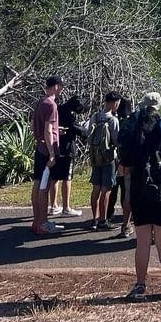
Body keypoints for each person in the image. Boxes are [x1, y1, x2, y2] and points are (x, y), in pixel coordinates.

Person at [119, 102, 161, 302]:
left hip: (140, 192)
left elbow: (124, 167)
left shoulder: (134, 140)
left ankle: (140, 285)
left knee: (142, 243)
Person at [30, 76, 64, 235]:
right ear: (56, 86)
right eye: (61, 86)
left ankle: (36, 221)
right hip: (46, 151)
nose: (62, 89)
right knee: (44, 186)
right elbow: (48, 130)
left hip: (39, 147)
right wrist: (51, 153)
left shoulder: (40, 102)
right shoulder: (51, 105)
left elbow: (33, 126)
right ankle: (43, 223)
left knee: (37, 184)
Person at [48, 95, 90, 219]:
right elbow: (82, 132)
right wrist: (85, 127)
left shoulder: (58, 109)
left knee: (54, 177)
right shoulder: (70, 115)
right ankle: (66, 207)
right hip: (67, 149)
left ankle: (53, 206)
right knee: (67, 177)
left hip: (56, 147)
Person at [88, 91, 122, 231]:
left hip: (95, 157)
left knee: (96, 188)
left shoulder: (95, 117)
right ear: (115, 103)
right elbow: (116, 140)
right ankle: (103, 220)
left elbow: (89, 136)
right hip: (108, 158)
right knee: (106, 189)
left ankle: (94, 219)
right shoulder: (113, 120)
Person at [106, 96, 136, 238]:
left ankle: (108, 215)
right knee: (127, 191)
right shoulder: (132, 122)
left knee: (114, 188)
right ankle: (128, 221)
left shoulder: (117, 120)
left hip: (117, 160)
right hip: (128, 162)